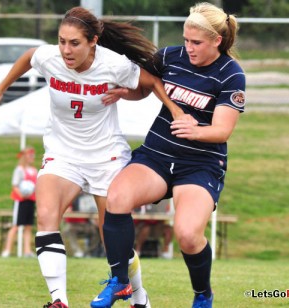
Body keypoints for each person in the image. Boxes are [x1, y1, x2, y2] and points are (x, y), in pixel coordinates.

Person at [0, 6, 191, 308]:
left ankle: (139, 297)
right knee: (46, 217)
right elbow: (29, 56)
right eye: (61, 41)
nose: (66, 50)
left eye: (74, 43)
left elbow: (149, 85)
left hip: (105, 156)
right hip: (62, 154)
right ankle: (59, 301)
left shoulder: (114, 64)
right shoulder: (50, 57)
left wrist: (168, 109)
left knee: (113, 242)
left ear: (93, 41)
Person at [91, 2, 245, 308]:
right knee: (116, 200)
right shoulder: (170, 56)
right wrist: (127, 91)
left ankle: (202, 294)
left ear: (217, 40)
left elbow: (222, 131)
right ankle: (120, 282)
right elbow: (147, 86)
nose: (188, 47)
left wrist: (194, 129)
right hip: (157, 156)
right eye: (186, 39)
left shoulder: (231, 74)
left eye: (196, 42)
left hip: (199, 166)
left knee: (187, 235)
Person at [1, 146, 38, 258]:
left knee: (28, 226)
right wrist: (22, 194)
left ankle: (27, 251)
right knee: (16, 225)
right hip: (21, 201)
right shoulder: (19, 170)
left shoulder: (34, 170)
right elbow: (15, 185)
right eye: (30, 155)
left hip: (31, 200)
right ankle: (7, 250)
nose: (32, 157)